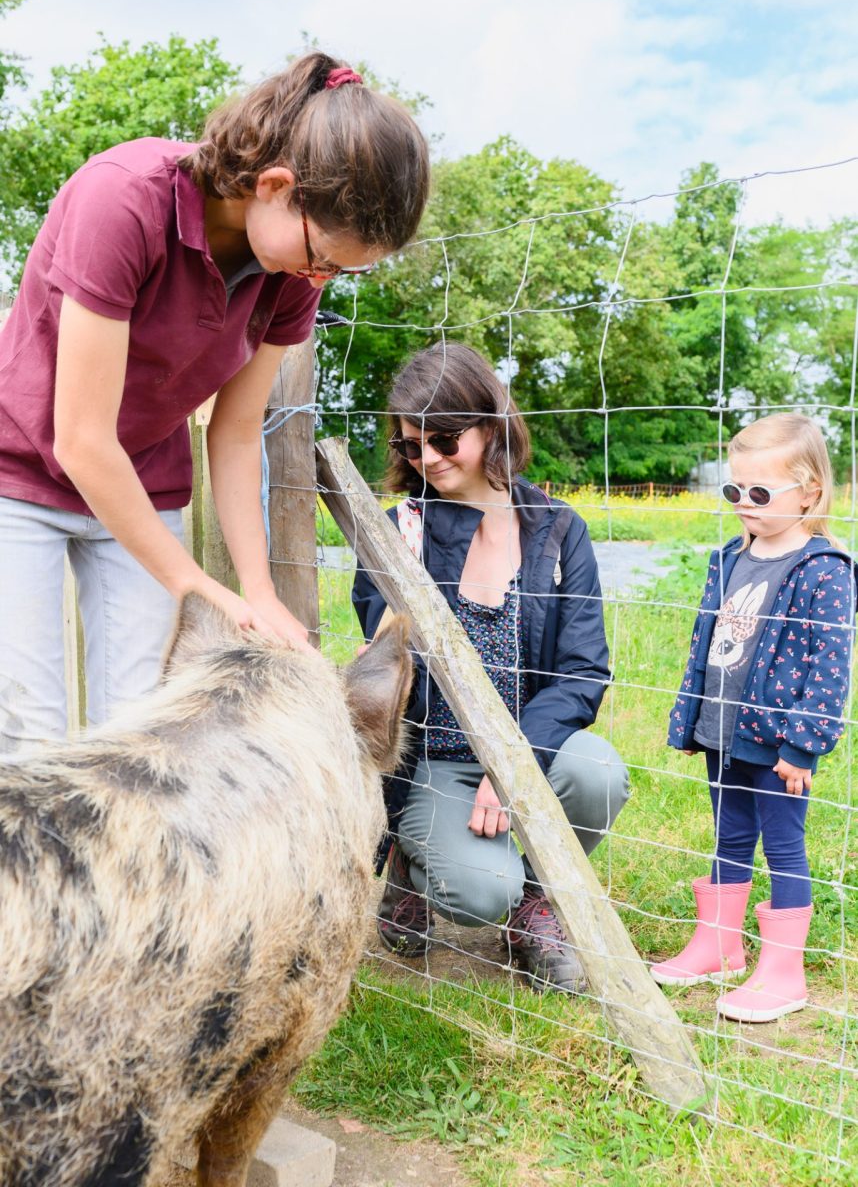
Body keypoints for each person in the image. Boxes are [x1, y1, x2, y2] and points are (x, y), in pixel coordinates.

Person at [0, 53, 429, 756]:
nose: (323, 278)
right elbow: (80, 439)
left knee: (141, 728)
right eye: (325, 258)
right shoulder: (124, 200)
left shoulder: (292, 273)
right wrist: (196, 584)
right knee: (27, 731)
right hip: (19, 473)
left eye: (341, 272)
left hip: (142, 482)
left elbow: (234, 435)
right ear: (275, 185)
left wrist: (256, 591)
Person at [352, 342, 630, 993]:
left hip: (531, 749)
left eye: (445, 440)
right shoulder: (399, 531)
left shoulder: (559, 530)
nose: (428, 460)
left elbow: (584, 671)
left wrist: (513, 770)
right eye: (411, 447)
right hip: (436, 759)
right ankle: (414, 865)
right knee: (478, 891)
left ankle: (537, 903)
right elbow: (384, 652)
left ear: (492, 423)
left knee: (598, 774)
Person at [659, 414, 856, 1022]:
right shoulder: (730, 558)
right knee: (729, 834)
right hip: (724, 730)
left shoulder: (823, 571)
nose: (744, 504)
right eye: (734, 490)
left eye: (761, 493)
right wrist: (690, 721)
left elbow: (831, 669)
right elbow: (707, 643)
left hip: (778, 745)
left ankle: (783, 971)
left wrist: (803, 745)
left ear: (810, 492)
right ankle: (719, 946)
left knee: (783, 843)